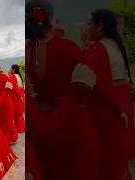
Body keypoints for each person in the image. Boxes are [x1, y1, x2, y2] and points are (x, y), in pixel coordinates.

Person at [27, 0, 100, 179]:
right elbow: (92, 81)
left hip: (37, 121)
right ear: (51, 21)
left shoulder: (28, 49)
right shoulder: (68, 47)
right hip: (68, 122)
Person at [83, 9, 134, 179]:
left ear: (100, 26)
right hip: (123, 97)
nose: (87, 28)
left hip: (108, 103)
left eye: (90, 24)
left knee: (107, 147)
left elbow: (95, 82)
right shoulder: (118, 44)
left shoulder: (98, 48)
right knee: (120, 144)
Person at [0, 61, 18, 144]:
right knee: (7, 120)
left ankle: (1, 139)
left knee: (0, 121)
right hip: (5, 101)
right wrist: (18, 95)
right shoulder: (3, 76)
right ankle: (8, 139)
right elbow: (12, 87)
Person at [8, 64, 25, 133]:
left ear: (13, 70)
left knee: (15, 113)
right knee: (19, 113)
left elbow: (11, 87)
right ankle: (21, 128)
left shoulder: (12, 77)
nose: (9, 69)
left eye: (10, 68)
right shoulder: (19, 76)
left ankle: (17, 129)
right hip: (20, 97)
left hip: (15, 98)